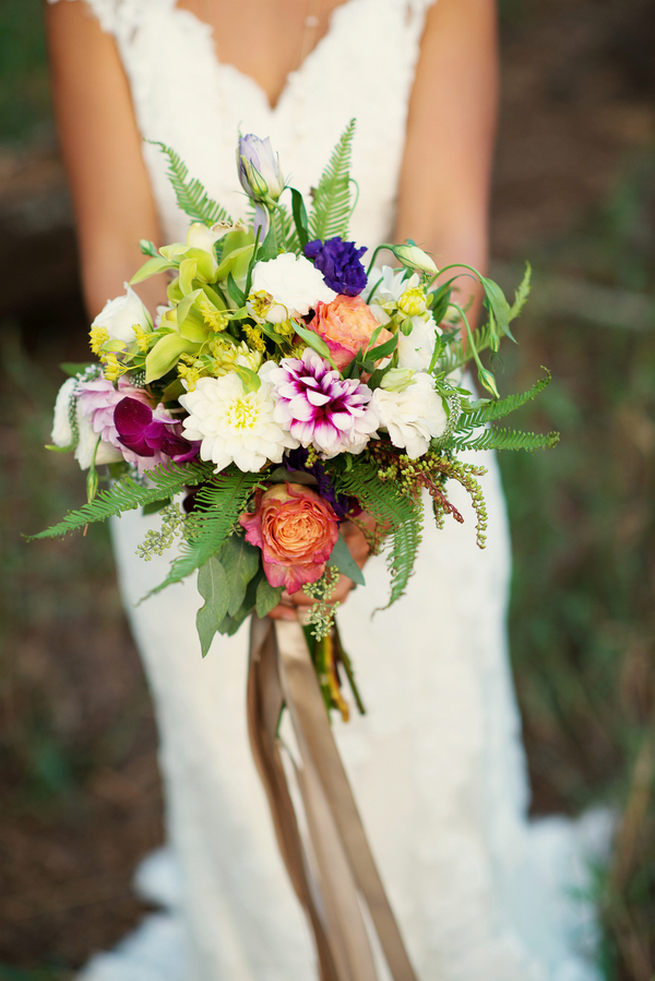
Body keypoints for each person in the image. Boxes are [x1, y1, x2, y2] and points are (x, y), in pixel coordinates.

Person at [45, 1, 608, 978]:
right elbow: (119, 270)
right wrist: (231, 473)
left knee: (424, 801)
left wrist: (351, 493)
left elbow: (446, 248)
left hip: (405, 458)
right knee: (256, 818)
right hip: (189, 472)